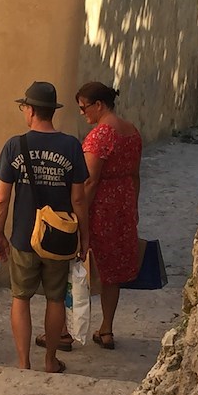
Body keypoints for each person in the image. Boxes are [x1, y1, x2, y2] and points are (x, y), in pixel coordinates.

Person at [0, 81, 90, 373]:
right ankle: (50, 360)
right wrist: (85, 239)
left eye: (24, 107)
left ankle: (24, 363)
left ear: (31, 110)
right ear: (52, 111)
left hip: (24, 237)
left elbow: (1, 198)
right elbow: (79, 199)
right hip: (59, 239)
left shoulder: (15, 145)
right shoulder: (71, 145)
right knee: (56, 298)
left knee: (20, 298)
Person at [76, 81, 142, 349]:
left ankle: (70, 330)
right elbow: (136, 174)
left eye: (83, 107)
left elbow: (90, 180)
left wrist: (80, 212)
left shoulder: (101, 135)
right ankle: (106, 329)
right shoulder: (132, 131)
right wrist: (133, 207)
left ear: (98, 105)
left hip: (101, 206)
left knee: (82, 266)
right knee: (112, 270)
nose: (82, 113)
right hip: (123, 203)